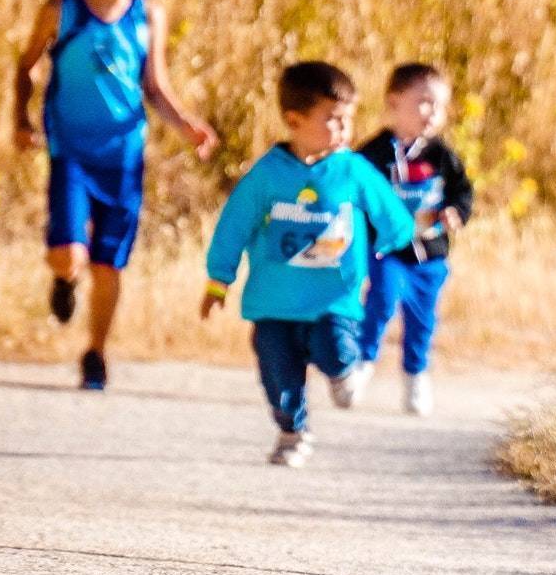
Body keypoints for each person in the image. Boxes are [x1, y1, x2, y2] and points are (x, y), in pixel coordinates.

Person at [12, 0, 218, 391]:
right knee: (68, 253)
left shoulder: (149, 15)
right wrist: (19, 120)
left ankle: (96, 352)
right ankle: (63, 281)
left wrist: (186, 124)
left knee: (109, 262)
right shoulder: (63, 8)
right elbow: (25, 68)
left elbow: (155, 84)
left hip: (123, 157)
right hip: (71, 153)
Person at [201, 62, 414, 467]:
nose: (344, 129)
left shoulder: (352, 169)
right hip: (273, 303)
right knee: (278, 375)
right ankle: (292, 432)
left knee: (334, 350)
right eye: (332, 120)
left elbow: (391, 214)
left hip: (333, 299)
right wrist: (218, 281)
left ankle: (344, 370)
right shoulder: (267, 175)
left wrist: (394, 241)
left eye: (348, 119)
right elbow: (234, 226)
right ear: (294, 120)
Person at [353, 63, 474, 417]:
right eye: (423, 102)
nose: (432, 114)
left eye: (439, 106)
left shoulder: (441, 154)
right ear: (394, 102)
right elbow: (355, 193)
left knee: (423, 319)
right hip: (387, 250)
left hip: (430, 253)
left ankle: (415, 376)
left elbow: (462, 191)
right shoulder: (373, 153)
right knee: (381, 301)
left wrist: (456, 212)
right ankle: (361, 364)